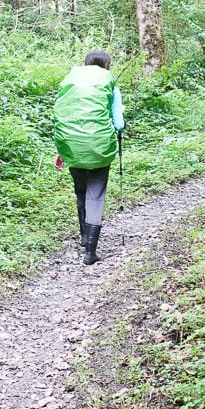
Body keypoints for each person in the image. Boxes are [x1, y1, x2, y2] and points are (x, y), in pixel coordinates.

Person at [52, 49, 124, 265]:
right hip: (99, 147)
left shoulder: (71, 84)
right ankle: (90, 252)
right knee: (96, 194)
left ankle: (84, 237)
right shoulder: (110, 84)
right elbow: (119, 123)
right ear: (106, 65)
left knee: (80, 190)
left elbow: (66, 118)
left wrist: (61, 150)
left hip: (71, 146)